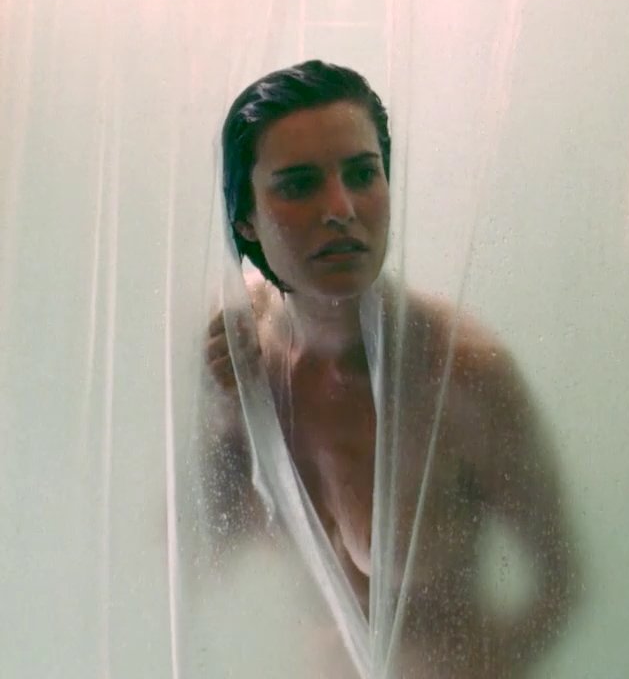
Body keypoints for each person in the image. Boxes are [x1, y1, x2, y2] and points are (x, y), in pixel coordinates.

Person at [200, 59, 578, 678]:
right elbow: (207, 553)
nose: (341, 208)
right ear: (245, 219)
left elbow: (562, 583)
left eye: (361, 173)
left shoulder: (461, 373)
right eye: (299, 184)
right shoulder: (239, 347)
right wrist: (228, 410)